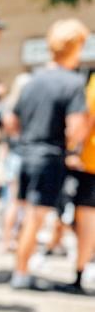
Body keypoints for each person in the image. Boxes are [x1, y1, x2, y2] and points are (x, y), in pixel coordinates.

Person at [7, 19, 88, 289]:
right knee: (36, 216)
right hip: (50, 155)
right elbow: (76, 128)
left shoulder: (33, 81)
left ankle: (21, 266)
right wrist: (73, 146)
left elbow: (12, 121)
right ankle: (21, 272)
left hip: (27, 152)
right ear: (75, 47)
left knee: (25, 213)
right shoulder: (74, 83)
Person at [60, 72, 95, 294]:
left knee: (86, 219)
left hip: (91, 163)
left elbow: (86, 121)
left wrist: (71, 149)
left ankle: (80, 274)